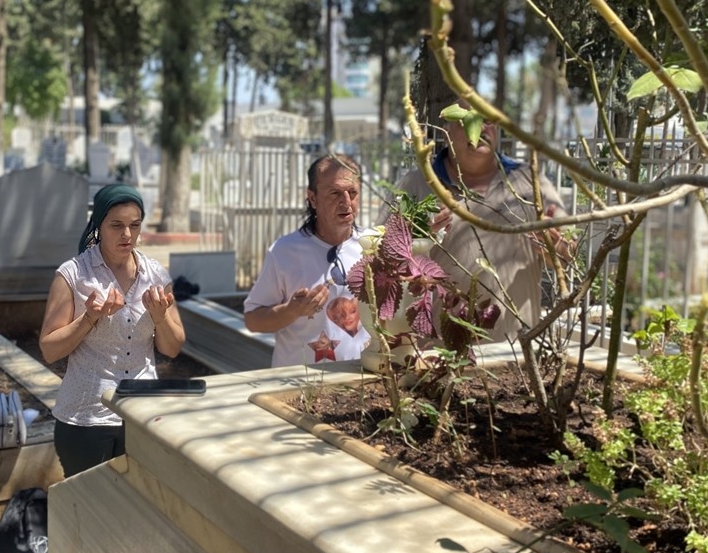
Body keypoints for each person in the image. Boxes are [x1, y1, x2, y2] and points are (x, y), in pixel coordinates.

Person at [38, 184, 185, 477]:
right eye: (116, 225)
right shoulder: (74, 274)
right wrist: (89, 318)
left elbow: (172, 347)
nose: (127, 234)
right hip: (86, 419)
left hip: (143, 416)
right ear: (99, 225)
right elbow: (49, 349)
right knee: (91, 514)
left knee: (141, 512)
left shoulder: (155, 274)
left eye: (134, 225)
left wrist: (160, 318)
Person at [387, 117, 572, 341]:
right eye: (466, 121)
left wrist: (554, 248)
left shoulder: (532, 182)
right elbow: (381, 258)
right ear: (447, 133)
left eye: (486, 119)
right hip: (438, 355)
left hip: (517, 355)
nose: (480, 127)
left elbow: (569, 253)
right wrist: (415, 237)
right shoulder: (414, 186)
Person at [243, 154, 371, 368]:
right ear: (312, 198)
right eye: (335, 193)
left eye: (353, 193)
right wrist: (293, 310)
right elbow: (252, 320)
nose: (347, 202)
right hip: (299, 385)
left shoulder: (373, 245)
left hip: (361, 380)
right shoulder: (284, 251)